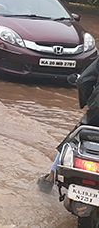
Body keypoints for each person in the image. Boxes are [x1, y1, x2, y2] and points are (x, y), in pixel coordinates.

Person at [38, 57, 99, 192]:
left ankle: (51, 178)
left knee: (73, 139)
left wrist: (89, 103)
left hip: (96, 113)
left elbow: (83, 81)